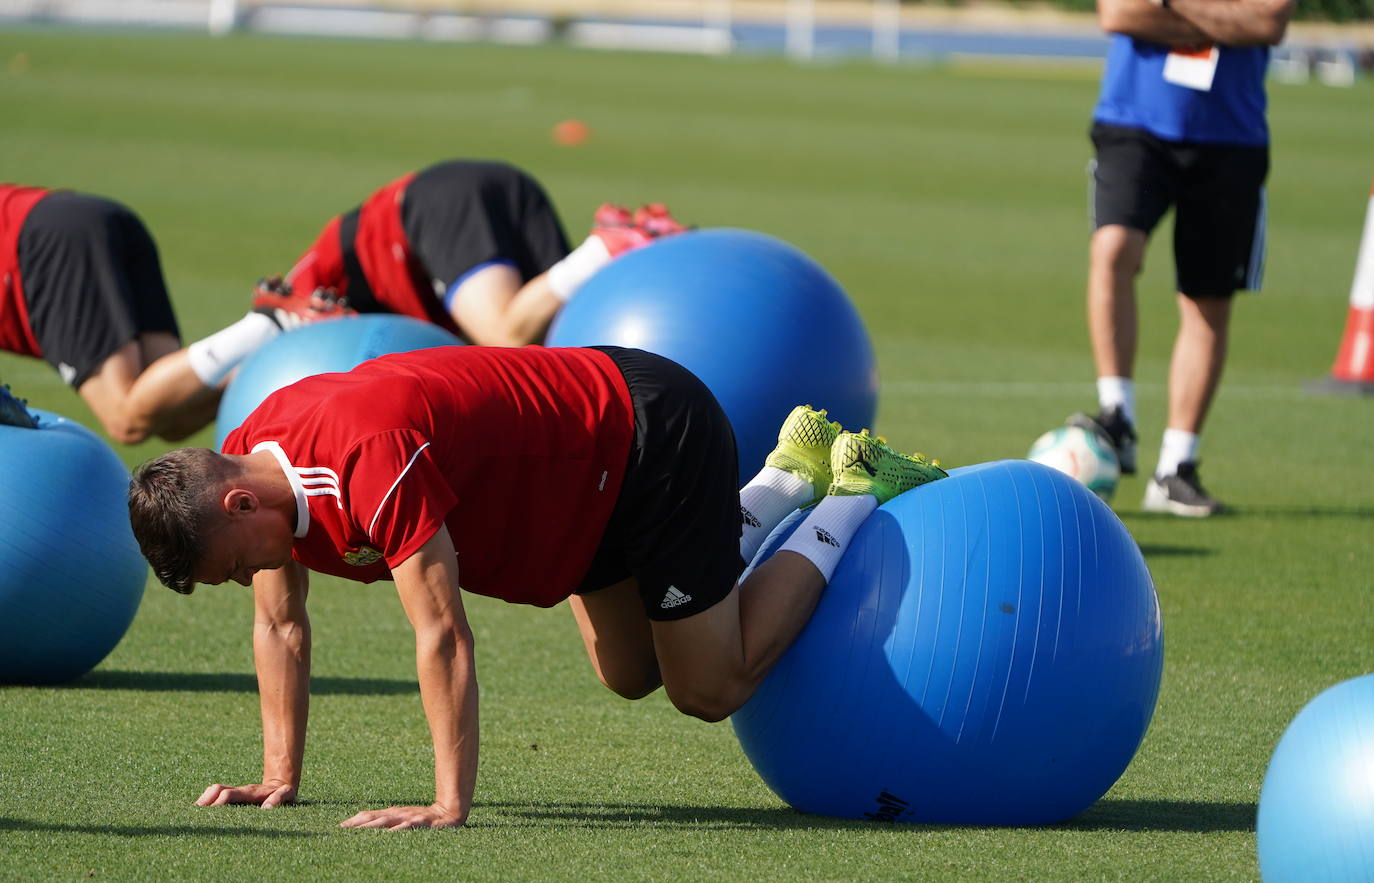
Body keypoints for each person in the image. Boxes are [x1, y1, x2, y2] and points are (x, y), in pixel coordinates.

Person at [127, 345, 947, 830]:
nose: (248, 578)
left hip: (647, 438)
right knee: (630, 673)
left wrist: (449, 804)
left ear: (239, 500)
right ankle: (782, 477)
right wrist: (279, 777)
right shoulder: (248, 450)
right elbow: (279, 630)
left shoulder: (366, 460)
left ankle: (851, 487)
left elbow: (442, 632)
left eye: (235, 563)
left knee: (707, 686)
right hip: (574, 484)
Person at [1074, 0, 1295, 517]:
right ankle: (1118, 416)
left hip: (1231, 136)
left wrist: (1172, 7)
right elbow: (1119, 13)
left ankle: (1176, 467)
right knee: (1113, 248)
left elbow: (1269, 22)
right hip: (1134, 122)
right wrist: (1227, 18)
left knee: (1207, 300)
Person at [0, 183, 349, 444]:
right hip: (77, 218)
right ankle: (282, 358)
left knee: (124, 418)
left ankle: (273, 324)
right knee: (170, 418)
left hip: (45, 240)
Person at [268, 159, 686, 348]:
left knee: (507, 336)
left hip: (435, 205)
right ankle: (619, 252)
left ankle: (606, 249)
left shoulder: (287, 320)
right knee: (551, 353)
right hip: (481, 191)